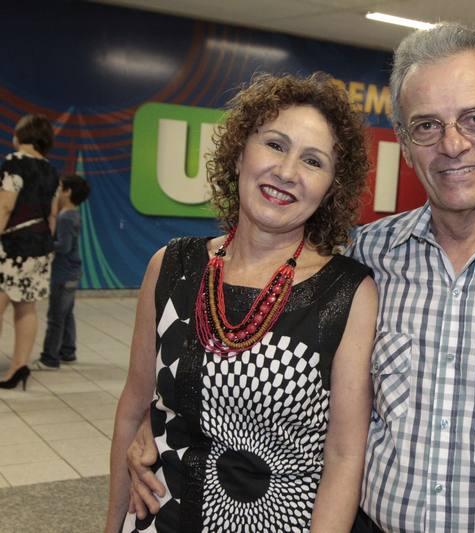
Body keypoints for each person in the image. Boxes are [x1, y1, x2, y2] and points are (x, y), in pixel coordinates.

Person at [128, 23, 475, 532]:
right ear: (405, 145)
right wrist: (164, 427)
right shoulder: (370, 257)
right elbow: (279, 391)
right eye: (427, 126)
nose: (452, 144)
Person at [104, 72, 377, 533]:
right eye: (274, 145)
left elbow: (344, 456)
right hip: (161, 518)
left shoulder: (347, 292)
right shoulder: (171, 266)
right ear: (238, 154)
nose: (286, 172)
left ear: (331, 188)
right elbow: (134, 408)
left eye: (313, 161)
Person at [0, 114, 60, 391]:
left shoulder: (14, 163)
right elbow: (52, 215)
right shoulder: (51, 171)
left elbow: (5, 206)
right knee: (26, 308)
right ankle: (19, 366)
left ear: (20, 135)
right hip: (40, 246)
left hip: (11, 246)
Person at [35, 174, 91, 369]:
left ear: (67, 192)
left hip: (63, 273)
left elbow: (64, 246)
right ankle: (68, 351)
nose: (56, 192)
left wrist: (44, 243)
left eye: (59, 188)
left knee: (56, 317)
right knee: (66, 313)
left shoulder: (65, 216)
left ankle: (49, 358)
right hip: (72, 272)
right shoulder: (73, 214)